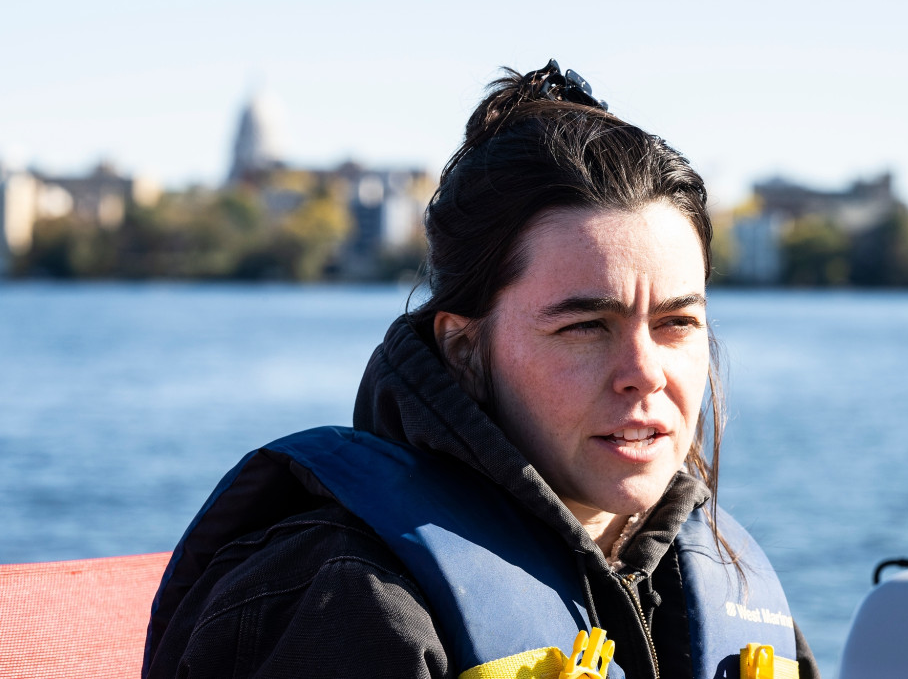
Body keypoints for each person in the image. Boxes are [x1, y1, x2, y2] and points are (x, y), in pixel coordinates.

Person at [143, 60, 819, 679]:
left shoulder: (727, 590)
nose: (643, 373)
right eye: (585, 327)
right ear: (465, 352)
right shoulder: (348, 602)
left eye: (677, 324)